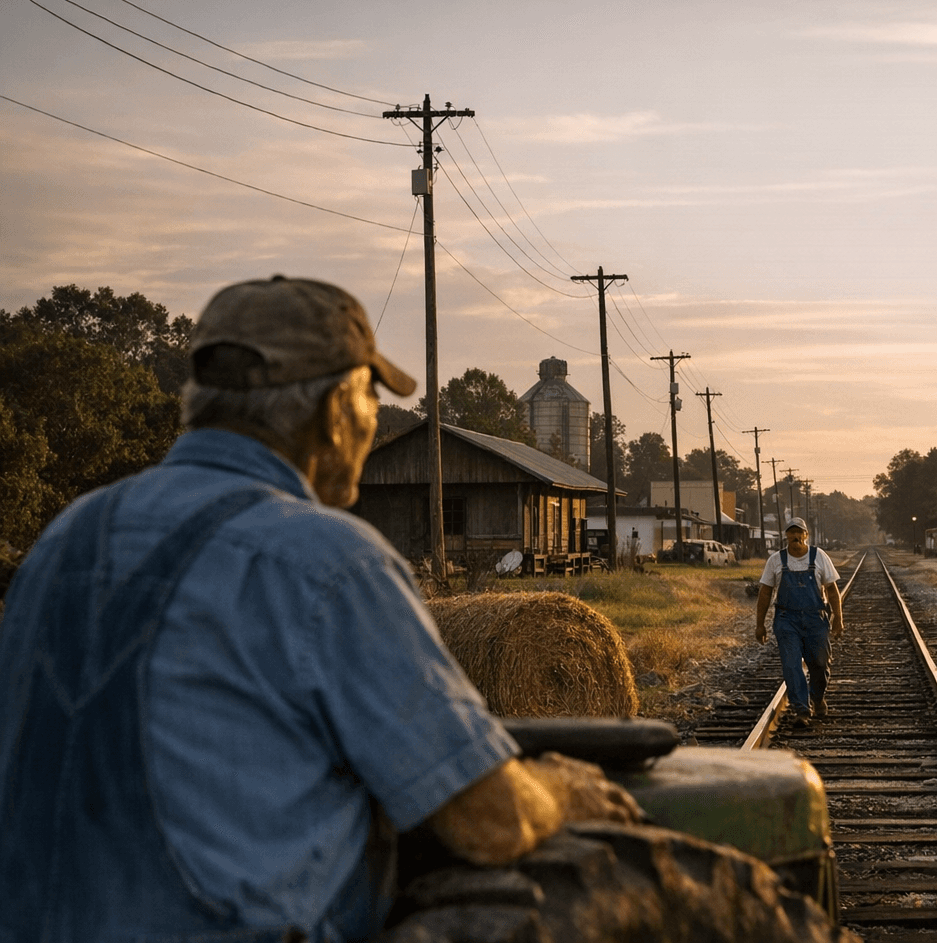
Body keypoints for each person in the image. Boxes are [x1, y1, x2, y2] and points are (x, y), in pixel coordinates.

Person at [0, 276, 640, 942]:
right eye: (371, 398)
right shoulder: (326, 562)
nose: (373, 421)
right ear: (337, 408)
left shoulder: (66, 539)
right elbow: (489, 822)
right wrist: (562, 789)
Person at [755, 517, 843, 728]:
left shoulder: (819, 556)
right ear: (786, 535)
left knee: (820, 664)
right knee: (792, 665)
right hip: (787, 620)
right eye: (791, 532)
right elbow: (765, 593)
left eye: (799, 532)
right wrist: (760, 624)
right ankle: (802, 709)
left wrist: (838, 618)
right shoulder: (776, 560)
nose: (795, 536)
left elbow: (832, 590)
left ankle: (818, 697)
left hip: (815, 619)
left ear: (806, 535)